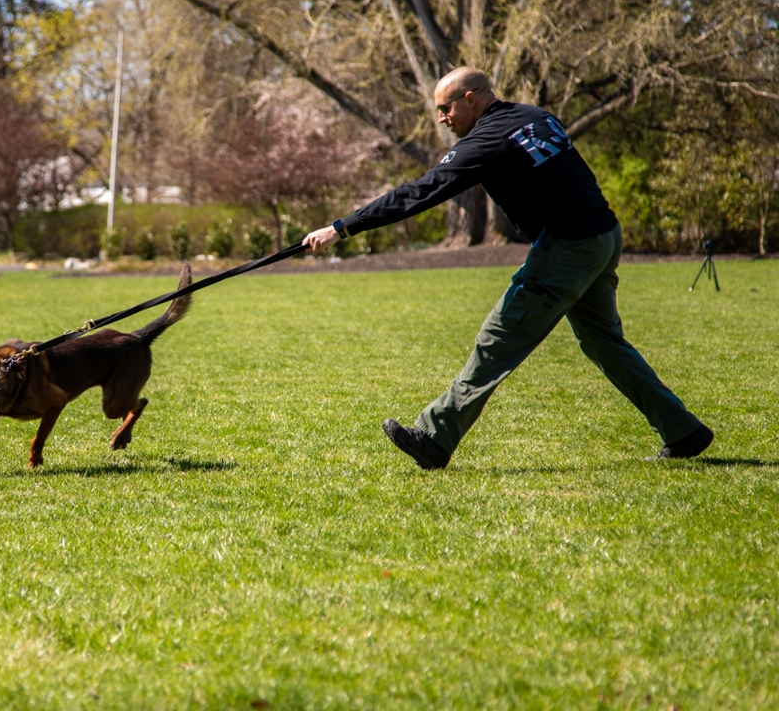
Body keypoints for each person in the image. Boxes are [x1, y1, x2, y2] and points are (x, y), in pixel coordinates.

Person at [303, 67, 714, 469]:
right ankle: (683, 431)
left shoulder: (487, 141)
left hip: (567, 247)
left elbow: (420, 192)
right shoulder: (537, 117)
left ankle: (435, 436)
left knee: (498, 339)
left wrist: (342, 227)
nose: (443, 119)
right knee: (605, 343)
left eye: (445, 109)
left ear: (471, 98)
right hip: (603, 237)